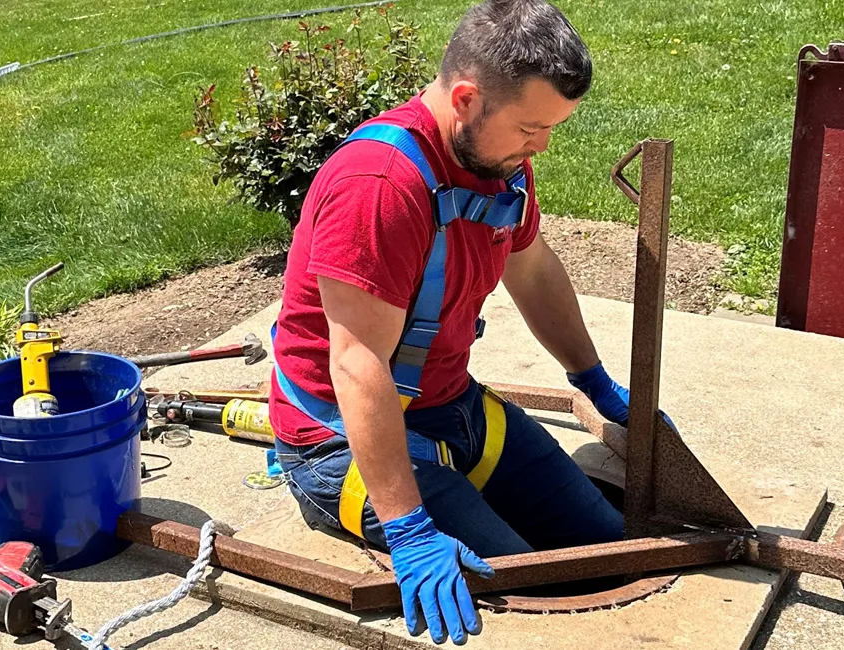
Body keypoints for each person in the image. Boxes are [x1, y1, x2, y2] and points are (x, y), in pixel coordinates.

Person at [268, 0, 634, 644]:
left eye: (552, 127)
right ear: (465, 99)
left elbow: (532, 268)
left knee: (608, 545)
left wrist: (594, 380)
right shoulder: (379, 186)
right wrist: (408, 527)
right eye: (530, 127)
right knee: (524, 584)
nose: (541, 145)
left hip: (450, 407)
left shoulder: (497, 162)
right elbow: (357, 363)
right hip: (338, 438)